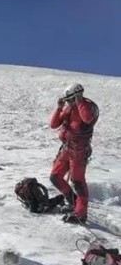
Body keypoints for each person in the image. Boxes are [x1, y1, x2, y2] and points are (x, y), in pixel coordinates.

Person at [49, 83, 99, 224]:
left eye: (70, 99)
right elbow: (54, 124)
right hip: (67, 148)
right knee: (55, 176)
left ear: (77, 95)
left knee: (77, 181)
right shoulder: (69, 108)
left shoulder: (87, 106)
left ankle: (81, 213)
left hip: (79, 150)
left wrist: (79, 102)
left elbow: (87, 118)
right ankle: (73, 202)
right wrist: (59, 108)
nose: (68, 102)